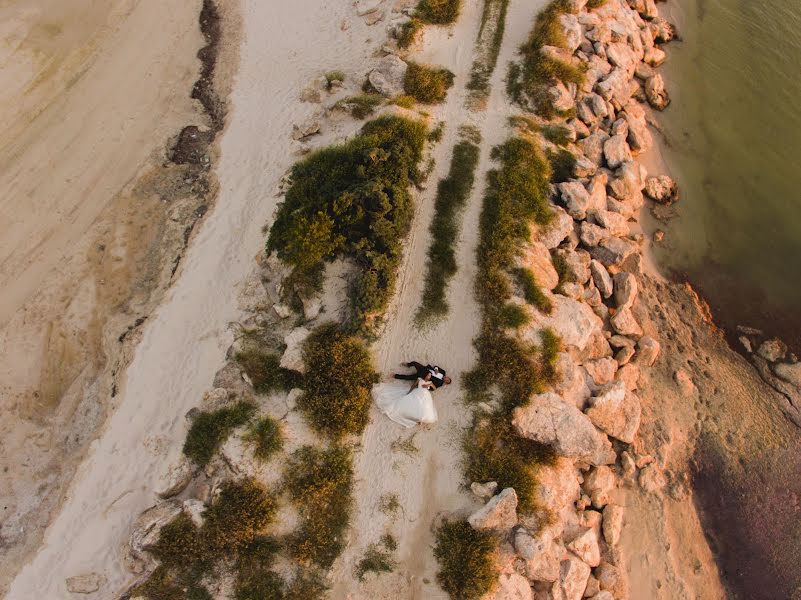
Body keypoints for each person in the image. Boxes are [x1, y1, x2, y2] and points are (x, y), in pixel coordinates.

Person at [372, 374, 438, 428]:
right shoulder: (419, 379)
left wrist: (430, 385)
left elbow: (434, 388)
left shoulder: (430, 382)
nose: (428, 376)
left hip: (426, 395)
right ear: (425, 375)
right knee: (415, 404)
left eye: (429, 376)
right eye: (428, 375)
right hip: (418, 392)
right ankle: (418, 419)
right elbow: (414, 385)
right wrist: (409, 391)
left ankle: (422, 419)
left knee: (425, 406)